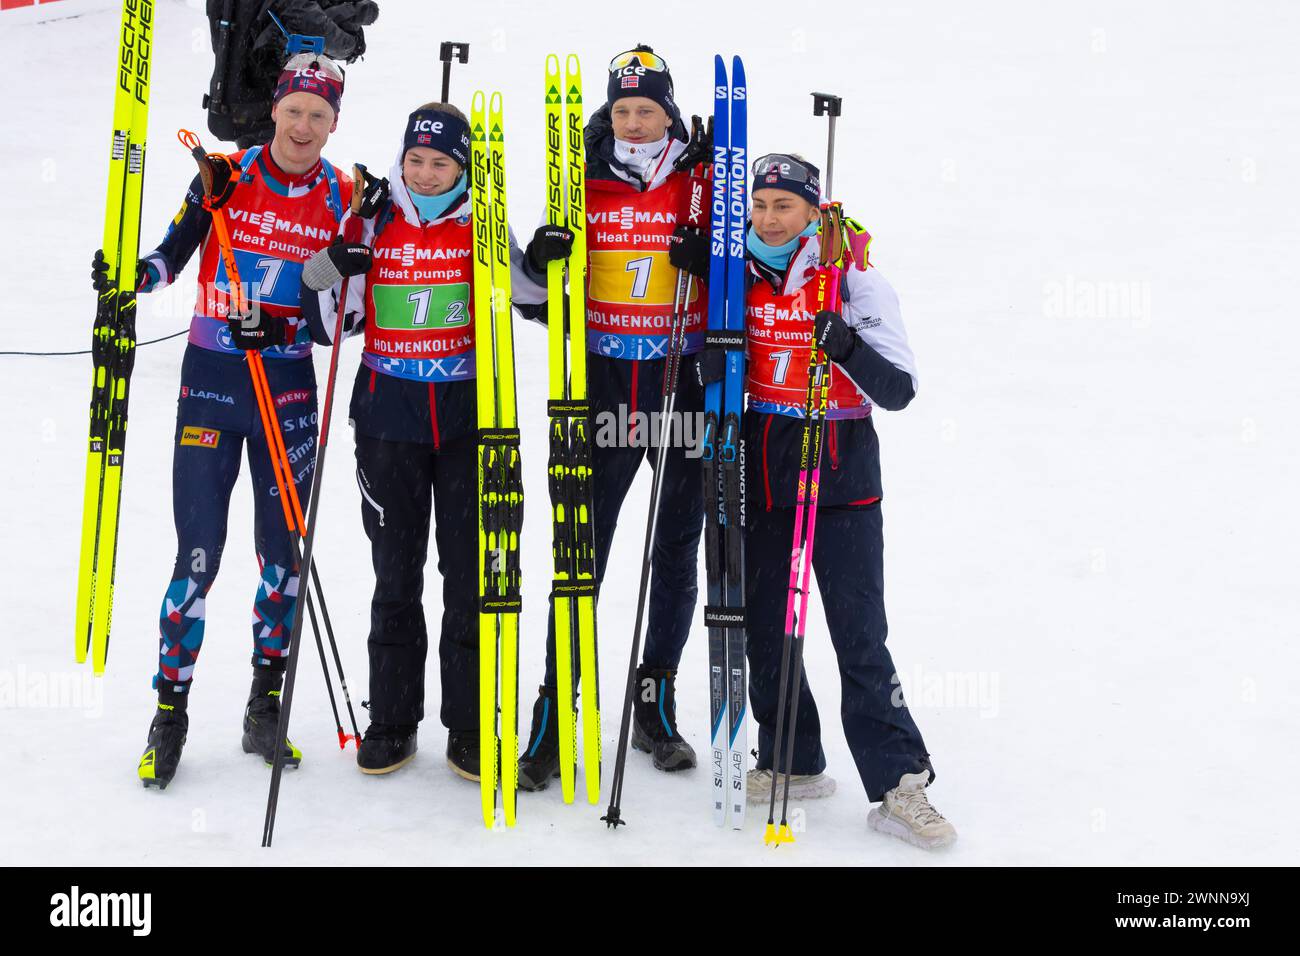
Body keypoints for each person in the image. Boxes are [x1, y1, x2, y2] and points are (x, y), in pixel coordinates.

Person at [90, 53, 353, 790]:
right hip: (211, 386)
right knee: (197, 556)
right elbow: (170, 255)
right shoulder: (225, 176)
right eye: (295, 109)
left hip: (289, 389)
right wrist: (131, 278)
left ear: (335, 122)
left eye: (320, 114)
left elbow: (342, 315)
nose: (304, 126)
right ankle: (169, 715)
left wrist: (291, 325)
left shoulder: (340, 195)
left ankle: (263, 705)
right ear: (275, 109)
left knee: (281, 558)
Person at [299, 103, 546, 780]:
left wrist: (547, 262)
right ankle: (393, 722)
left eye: (442, 162)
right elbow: (328, 318)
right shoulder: (373, 216)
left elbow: (535, 299)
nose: (428, 173)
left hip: (471, 422)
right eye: (417, 159)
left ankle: (469, 728)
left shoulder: (483, 225)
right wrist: (331, 262)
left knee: (469, 578)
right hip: (387, 421)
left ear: (464, 167)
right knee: (394, 578)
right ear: (401, 158)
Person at [733, 152, 957, 849]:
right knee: (766, 622)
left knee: (859, 633)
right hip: (764, 459)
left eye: (785, 208)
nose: (770, 219)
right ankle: (790, 758)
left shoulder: (854, 279)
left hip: (840, 468)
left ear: (811, 213)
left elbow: (899, 390)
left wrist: (847, 345)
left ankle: (899, 784)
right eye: (760, 207)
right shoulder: (731, 276)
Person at [515, 45, 713, 789]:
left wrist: (712, 258)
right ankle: (551, 707)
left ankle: (655, 694)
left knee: (675, 541)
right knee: (582, 545)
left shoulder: (702, 181)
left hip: (679, 385)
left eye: (649, 109)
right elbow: (534, 302)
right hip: (604, 387)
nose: (635, 121)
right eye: (624, 109)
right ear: (610, 112)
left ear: (668, 113)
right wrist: (539, 259)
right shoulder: (580, 180)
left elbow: (743, 281)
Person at [204, 0, 378, 149]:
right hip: (270, 108)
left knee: (254, 173)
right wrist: (353, 42)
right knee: (273, 177)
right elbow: (312, 24)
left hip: (232, 101)